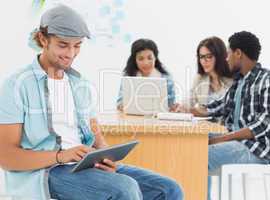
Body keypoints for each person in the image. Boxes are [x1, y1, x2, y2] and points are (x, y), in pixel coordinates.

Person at [0, 5, 183, 200]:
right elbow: (6, 157)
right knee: (124, 188)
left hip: (85, 165)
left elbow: (95, 134)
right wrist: (61, 156)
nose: (70, 54)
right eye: (63, 45)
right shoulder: (17, 85)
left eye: (77, 45)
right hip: (47, 171)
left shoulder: (81, 84)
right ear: (43, 39)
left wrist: (106, 156)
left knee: (169, 189)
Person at [194, 31, 270, 200]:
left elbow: (265, 123)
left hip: (255, 149)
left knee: (198, 155)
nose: (226, 59)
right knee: (189, 142)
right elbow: (218, 106)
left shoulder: (269, 79)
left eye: (228, 54)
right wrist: (188, 110)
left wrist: (223, 139)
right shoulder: (239, 81)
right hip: (236, 140)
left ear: (238, 53)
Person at [176, 36, 233, 115]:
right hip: (205, 125)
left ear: (219, 56)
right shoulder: (200, 78)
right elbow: (189, 100)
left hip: (225, 125)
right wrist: (181, 107)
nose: (204, 61)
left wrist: (197, 111)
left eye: (209, 57)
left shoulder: (233, 79)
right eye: (201, 57)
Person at [116, 38, 177, 111]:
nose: (146, 63)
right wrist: (123, 106)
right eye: (141, 59)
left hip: (158, 119)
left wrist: (172, 107)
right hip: (133, 118)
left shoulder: (166, 77)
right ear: (135, 60)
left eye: (150, 58)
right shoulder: (128, 75)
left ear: (155, 58)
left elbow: (170, 103)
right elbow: (120, 102)